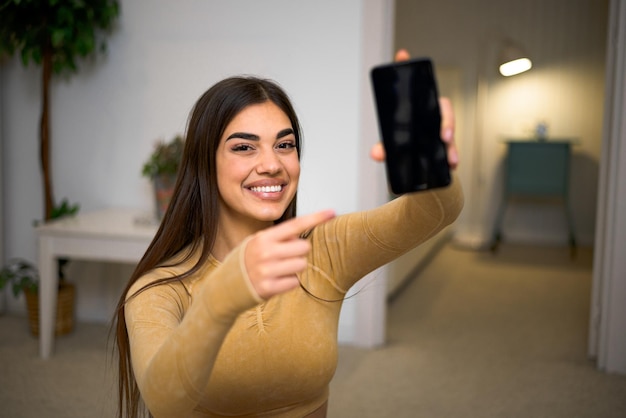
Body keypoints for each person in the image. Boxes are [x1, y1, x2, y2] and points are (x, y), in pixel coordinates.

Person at [112, 50, 463, 418]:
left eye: (285, 145)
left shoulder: (323, 249)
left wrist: (433, 164)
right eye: (244, 147)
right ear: (205, 161)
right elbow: (163, 400)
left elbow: (436, 212)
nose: (272, 165)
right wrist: (220, 298)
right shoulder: (160, 288)